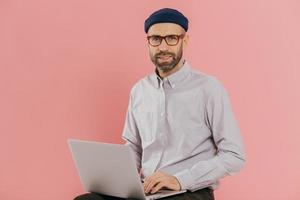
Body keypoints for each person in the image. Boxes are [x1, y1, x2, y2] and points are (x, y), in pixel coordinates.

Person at [74, 8, 245, 200]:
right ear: (148, 42)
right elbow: (134, 146)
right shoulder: (139, 90)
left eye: (171, 38)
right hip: (146, 190)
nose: (163, 47)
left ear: (184, 40)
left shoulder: (209, 88)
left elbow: (234, 156)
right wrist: (119, 180)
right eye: (155, 39)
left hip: (190, 192)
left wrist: (180, 180)